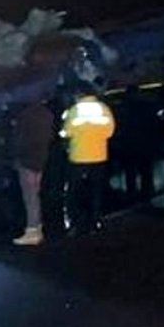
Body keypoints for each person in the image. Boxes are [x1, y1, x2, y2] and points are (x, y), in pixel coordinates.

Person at [61, 90, 116, 235]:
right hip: (99, 155)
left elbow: (67, 132)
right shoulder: (103, 109)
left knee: (74, 191)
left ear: (79, 95)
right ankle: (96, 221)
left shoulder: (75, 110)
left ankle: (75, 223)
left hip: (78, 156)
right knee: (96, 190)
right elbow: (110, 132)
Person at [12, 96, 55, 245]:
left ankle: (32, 230)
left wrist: (15, 156)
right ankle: (37, 228)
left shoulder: (25, 116)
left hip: (27, 160)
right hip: (40, 159)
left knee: (30, 196)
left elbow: (20, 140)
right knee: (35, 194)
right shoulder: (47, 114)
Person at [116, 84, 161, 201]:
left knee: (131, 171)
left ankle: (132, 194)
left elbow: (121, 126)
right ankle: (147, 194)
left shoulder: (124, 108)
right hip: (144, 143)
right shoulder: (147, 106)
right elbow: (154, 125)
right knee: (145, 171)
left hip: (130, 144)